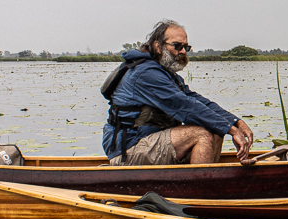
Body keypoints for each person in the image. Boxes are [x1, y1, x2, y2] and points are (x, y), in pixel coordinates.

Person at [102, 20, 254, 165]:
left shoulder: (166, 73)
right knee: (201, 134)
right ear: (157, 46)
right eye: (177, 46)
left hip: (148, 140)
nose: (182, 51)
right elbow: (184, 105)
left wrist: (235, 122)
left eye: (186, 47)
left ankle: (206, 180)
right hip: (128, 148)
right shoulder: (145, 74)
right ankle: (198, 189)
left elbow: (196, 100)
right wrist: (231, 130)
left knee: (215, 129)